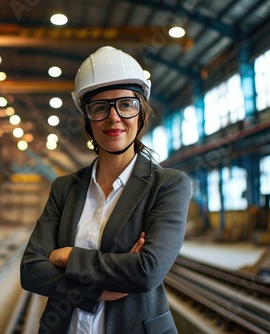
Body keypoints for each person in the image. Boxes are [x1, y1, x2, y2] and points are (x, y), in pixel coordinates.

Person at [20, 46, 192, 334]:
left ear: (141, 114)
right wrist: (96, 291)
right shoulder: (65, 188)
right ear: (88, 121)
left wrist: (66, 257)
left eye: (125, 104)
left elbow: (146, 271)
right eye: (100, 108)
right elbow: (31, 271)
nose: (113, 117)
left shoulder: (168, 186)